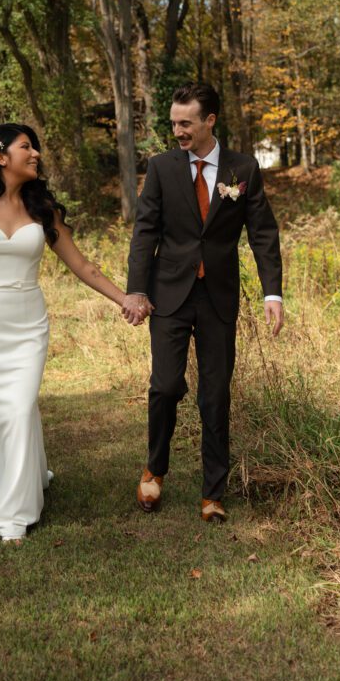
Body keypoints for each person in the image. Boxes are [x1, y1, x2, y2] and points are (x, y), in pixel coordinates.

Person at [0, 123, 138, 544]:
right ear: (0, 157)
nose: (35, 154)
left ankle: (13, 508)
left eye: (35, 148)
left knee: (18, 407)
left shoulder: (42, 208)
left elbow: (82, 265)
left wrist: (123, 298)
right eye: (26, 147)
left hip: (26, 323)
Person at [121, 82, 283, 523]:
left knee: (215, 395)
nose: (178, 131)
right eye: (174, 123)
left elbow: (262, 233)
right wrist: (137, 289)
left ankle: (213, 493)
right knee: (166, 385)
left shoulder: (243, 168)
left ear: (210, 121)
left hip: (218, 298)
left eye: (186, 123)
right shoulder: (161, 168)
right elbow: (145, 233)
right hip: (169, 294)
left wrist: (272, 292)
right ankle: (155, 468)